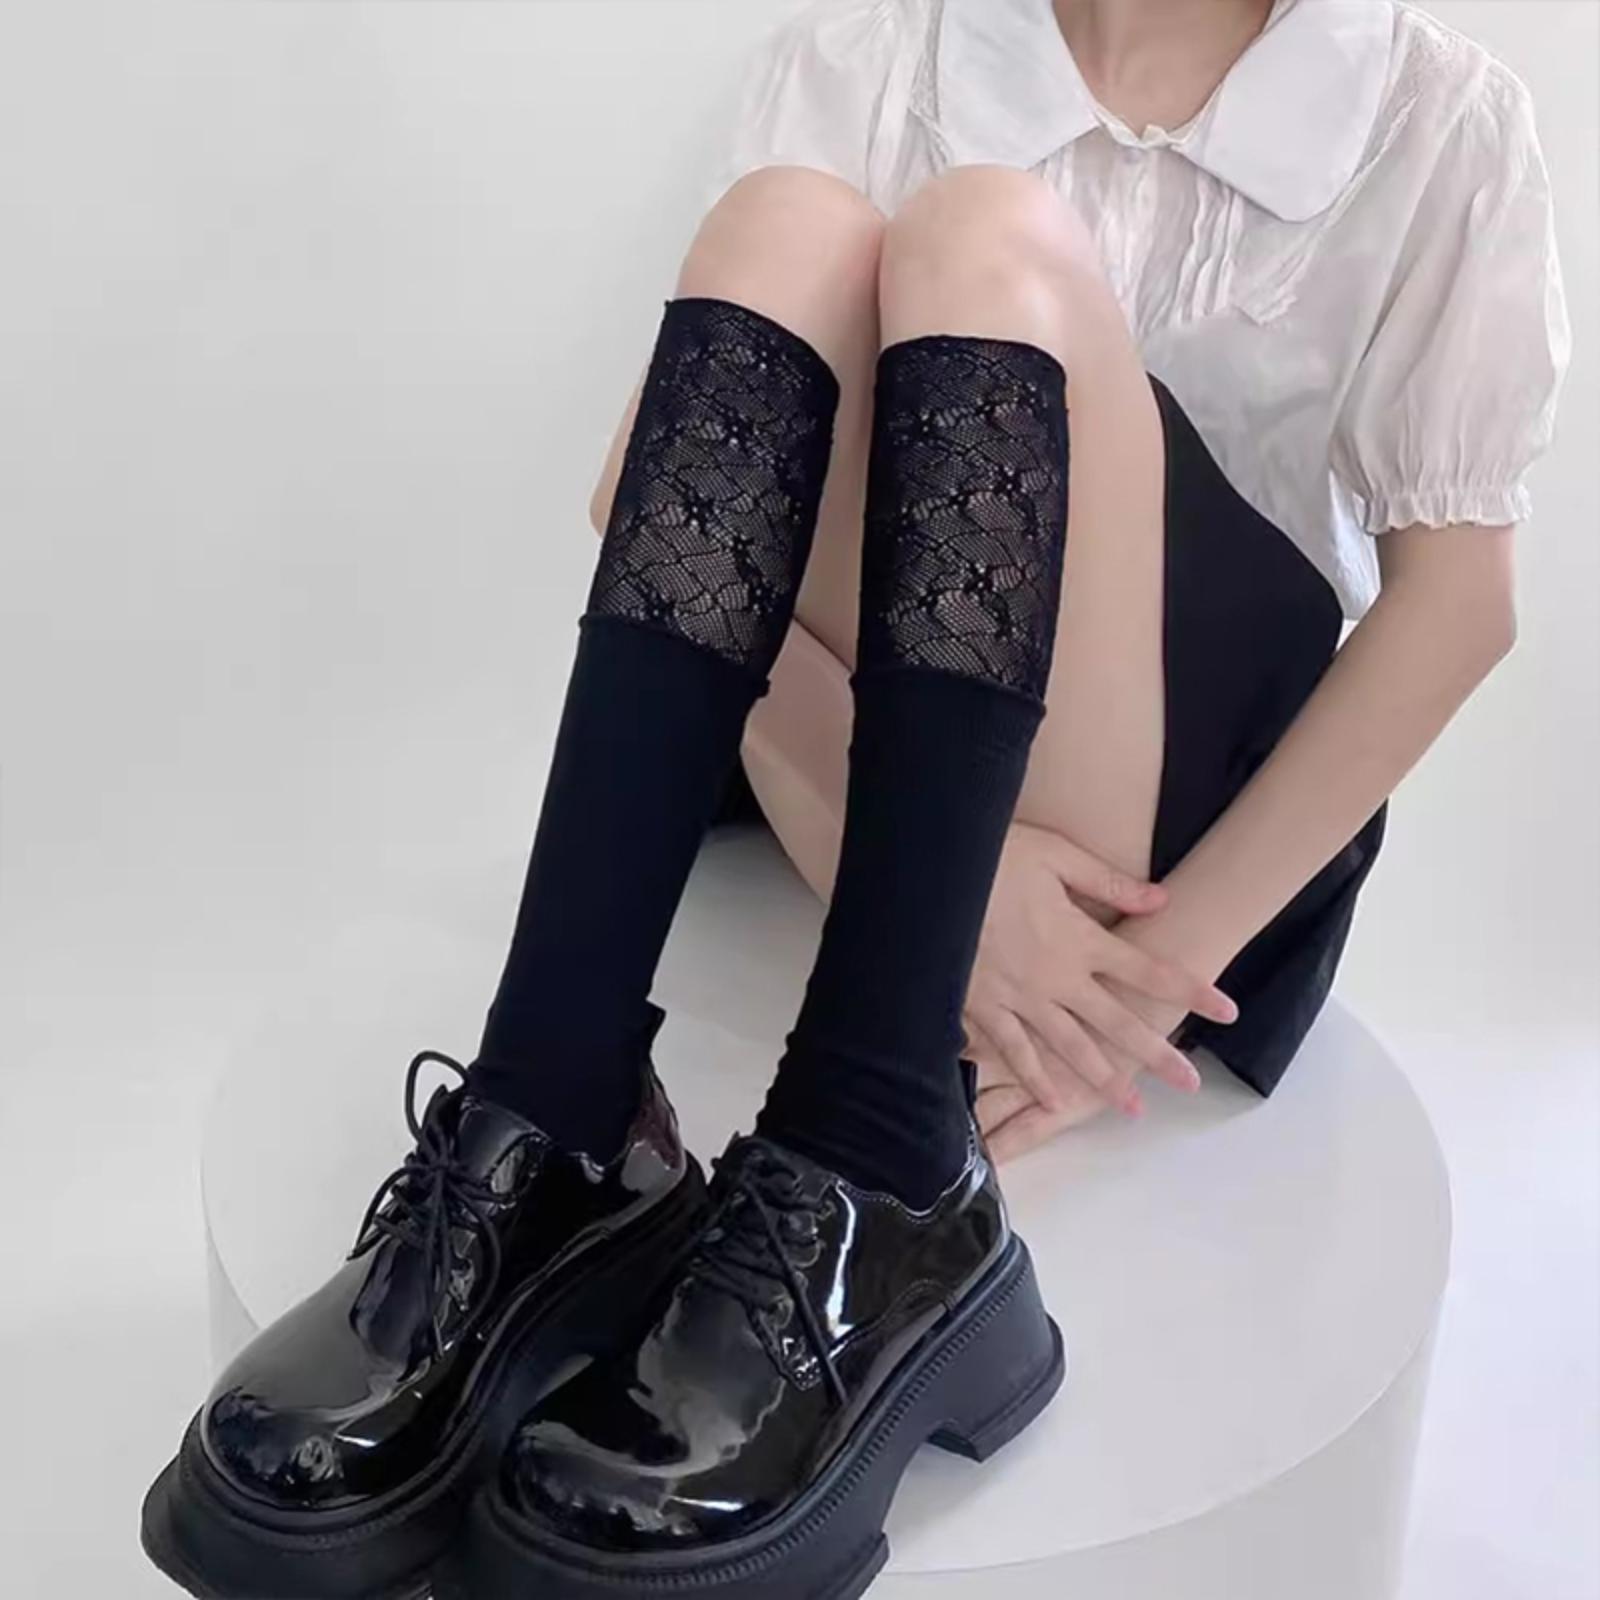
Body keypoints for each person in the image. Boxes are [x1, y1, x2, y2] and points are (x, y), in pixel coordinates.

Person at [141, 2, 1569, 1598]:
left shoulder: (1435, 118)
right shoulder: (881, 55)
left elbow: (1461, 607)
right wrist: (957, 892)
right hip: (871, 759)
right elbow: (654, 495)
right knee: (790, 230)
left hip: (1156, 841)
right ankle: (551, 1116)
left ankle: (877, 1163)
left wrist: (1156, 973)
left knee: (980, 241)